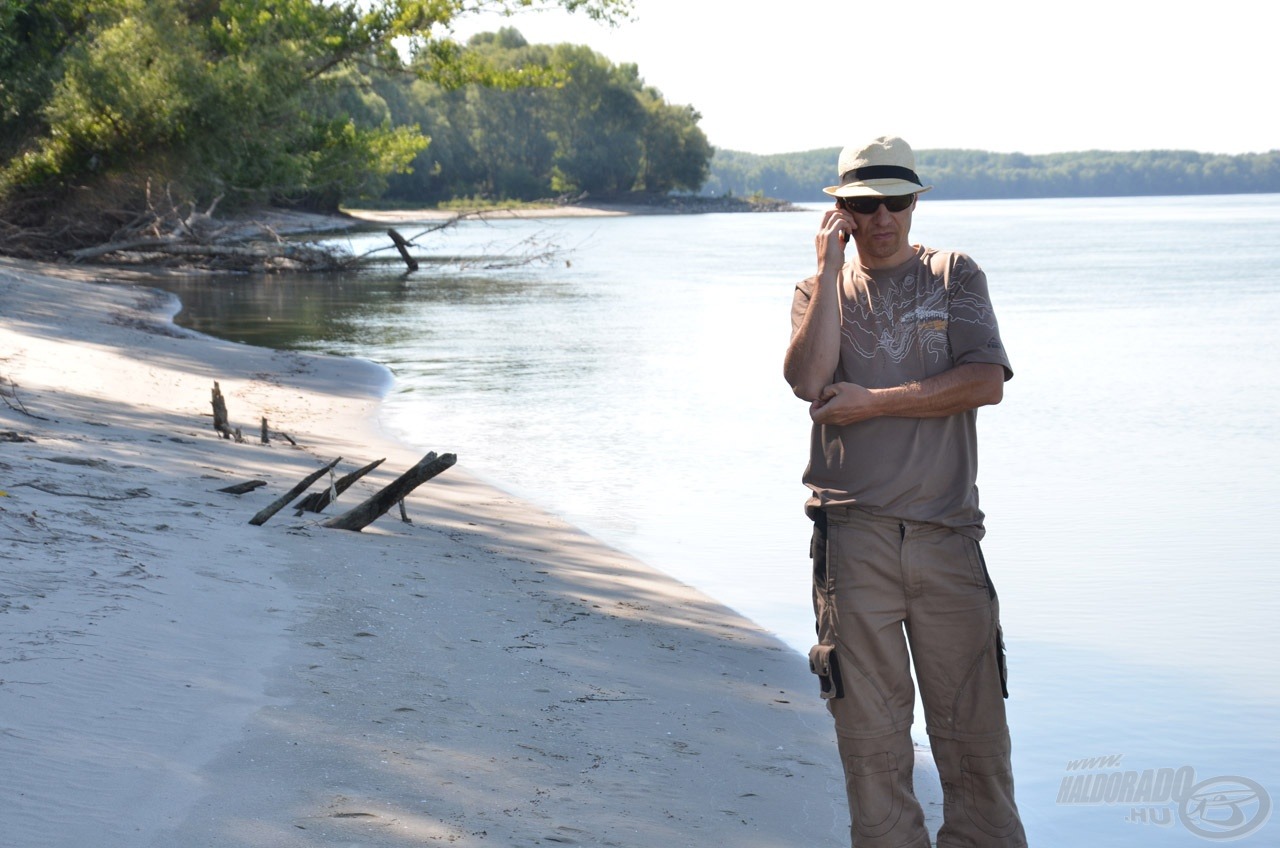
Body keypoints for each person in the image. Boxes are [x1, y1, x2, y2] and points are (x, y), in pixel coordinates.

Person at [783, 135, 1027, 848]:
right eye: (864, 205)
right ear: (841, 212)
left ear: (915, 202)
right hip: (852, 541)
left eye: (894, 202)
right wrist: (828, 274)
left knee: (975, 740)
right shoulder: (814, 290)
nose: (881, 217)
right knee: (872, 744)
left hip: (949, 537)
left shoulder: (954, 274)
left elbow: (984, 382)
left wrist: (875, 402)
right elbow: (807, 381)